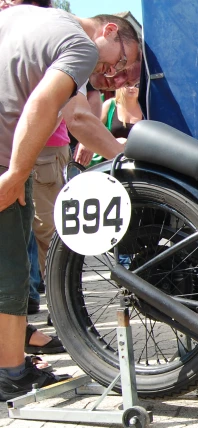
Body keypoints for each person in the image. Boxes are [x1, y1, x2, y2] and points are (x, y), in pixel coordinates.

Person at [0, 4, 141, 400]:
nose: (112, 75)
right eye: (121, 62)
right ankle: (10, 373)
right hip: (3, 155)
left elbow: (71, 111)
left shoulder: (26, 17)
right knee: (10, 268)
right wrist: (14, 174)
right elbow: (55, 109)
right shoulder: (79, 46)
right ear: (110, 31)